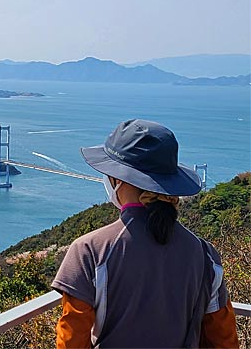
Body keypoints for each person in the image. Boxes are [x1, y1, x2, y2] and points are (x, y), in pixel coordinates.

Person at [52, 119, 239, 348]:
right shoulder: (204, 254)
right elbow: (223, 339)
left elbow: (71, 340)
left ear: (116, 179)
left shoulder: (90, 251)